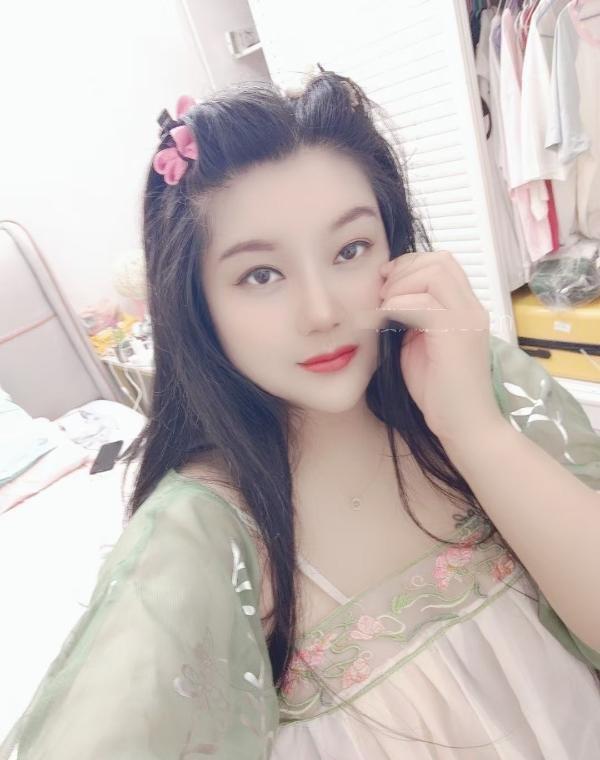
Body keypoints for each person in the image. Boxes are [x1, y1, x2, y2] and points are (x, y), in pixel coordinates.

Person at [2, 68, 600, 760]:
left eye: (351, 250)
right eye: (261, 275)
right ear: (196, 303)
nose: (322, 312)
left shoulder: (474, 376)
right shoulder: (204, 537)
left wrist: (475, 432)